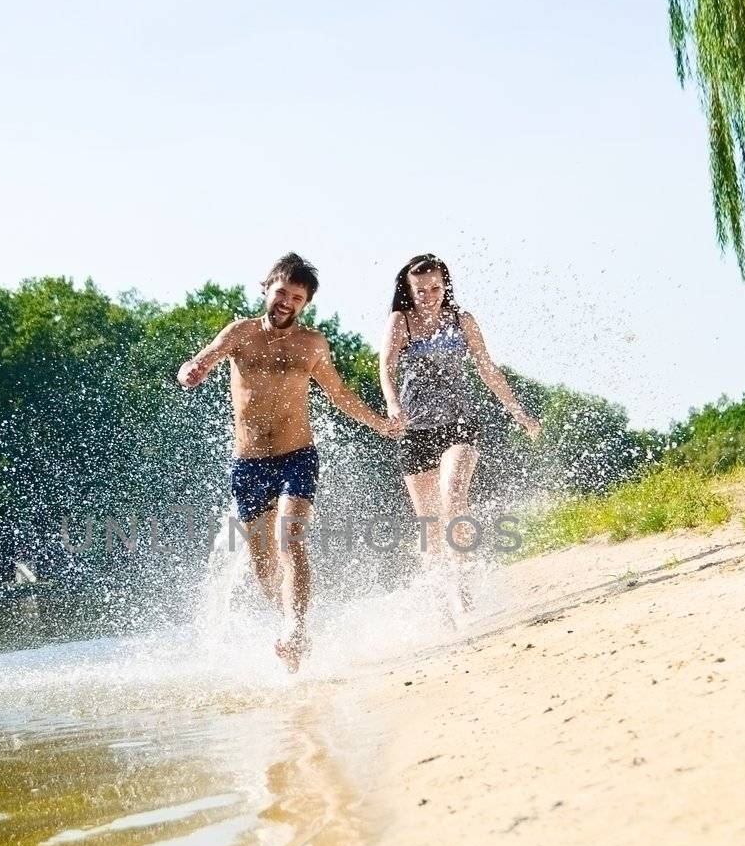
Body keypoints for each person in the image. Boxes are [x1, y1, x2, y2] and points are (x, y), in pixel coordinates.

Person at [177, 252, 403, 671]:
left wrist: (379, 423)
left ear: (305, 304)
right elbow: (201, 359)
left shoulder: (313, 344)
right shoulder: (240, 333)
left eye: (297, 298)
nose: (287, 303)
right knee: (264, 568)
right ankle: (289, 626)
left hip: (297, 456)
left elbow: (339, 394)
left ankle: (296, 628)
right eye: (282, 292)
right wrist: (191, 371)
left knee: (290, 541)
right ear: (267, 288)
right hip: (248, 464)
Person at [379, 254, 541, 621]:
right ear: (408, 290)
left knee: (453, 497)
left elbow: (487, 368)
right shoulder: (400, 321)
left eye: (435, 287)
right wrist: (392, 405)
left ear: (445, 285)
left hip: (459, 422)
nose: (428, 295)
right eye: (420, 290)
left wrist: (518, 412)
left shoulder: (462, 320)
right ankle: (439, 607)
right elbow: (385, 368)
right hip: (414, 427)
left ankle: (463, 595)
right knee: (428, 525)